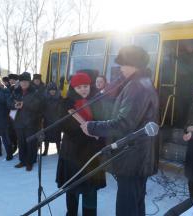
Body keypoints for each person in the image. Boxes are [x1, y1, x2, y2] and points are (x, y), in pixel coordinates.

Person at [80, 45, 159, 216]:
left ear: (133, 65)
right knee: (136, 203)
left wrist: (93, 127)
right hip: (139, 157)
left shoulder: (136, 86)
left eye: (123, 65)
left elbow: (124, 123)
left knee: (127, 207)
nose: (120, 69)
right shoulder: (144, 83)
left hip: (131, 158)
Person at [56, 72, 106, 216]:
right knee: (72, 187)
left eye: (85, 86)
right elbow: (64, 127)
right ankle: (71, 212)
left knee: (90, 188)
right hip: (72, 152)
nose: (83, 89)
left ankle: (89, 213)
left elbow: (103, 122)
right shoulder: (67, 104)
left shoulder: (97, 101)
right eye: (79, 87)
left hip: (91, 153)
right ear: (73, 88)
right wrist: (84, 132)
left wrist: (99, 135)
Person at [10, 72, 42, 171]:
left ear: (29, 82)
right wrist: (14, 105)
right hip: (19, 123)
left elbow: (38, 106)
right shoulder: (16, 92)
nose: (23, 83)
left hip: (31, 123)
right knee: (21, 143)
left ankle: (30, 162)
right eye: (22, 81)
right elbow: (9, 102)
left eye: (26, 82)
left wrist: (24, 104)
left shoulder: (35, 92)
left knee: (31, 143)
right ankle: (22, 161)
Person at [42, 82, 62, 155]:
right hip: (47, 120)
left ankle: (59, 150)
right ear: (48, 90)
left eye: (54, 90)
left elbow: (61, 109)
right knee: (46, 136)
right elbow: (42, 109)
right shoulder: (45, 99)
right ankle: (45, 151)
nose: (52, 91)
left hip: (56, 120)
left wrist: (59, 117)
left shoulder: (59, 98)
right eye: (51, 90)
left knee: (57, 136)